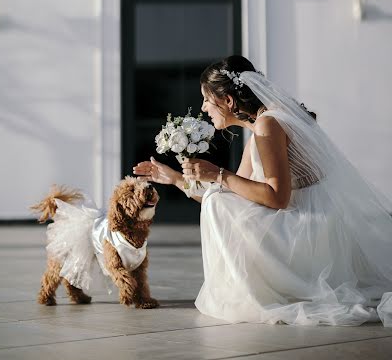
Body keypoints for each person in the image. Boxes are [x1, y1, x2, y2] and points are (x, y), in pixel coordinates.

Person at [133, 55, 392, 326]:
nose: (203, 107)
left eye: (207, 99)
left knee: (217, 203)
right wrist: (175, 179)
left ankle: (254, 289)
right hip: (305, 219)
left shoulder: (268, 125)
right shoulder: (261, 128)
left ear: (228, 101)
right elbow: (231, 193)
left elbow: (277, 198)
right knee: (218, 200)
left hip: (310, 230)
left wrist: (219, 174)